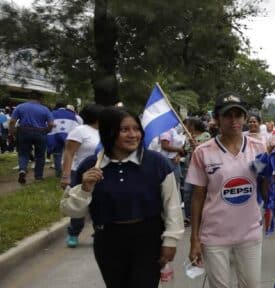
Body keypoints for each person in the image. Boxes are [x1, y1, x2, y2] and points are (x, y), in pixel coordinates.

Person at [60, 107, 184, 287]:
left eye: (136, 129)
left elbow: (171, 204)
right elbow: (72, 211)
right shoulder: (91, 166)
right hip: (107, 240)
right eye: (124, 129)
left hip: (148, 239)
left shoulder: (156, 163)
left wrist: (171, 240)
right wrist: (85, 189)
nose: (133, 135)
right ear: (109, 132)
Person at [187, 93, 267, 288]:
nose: (233, 120)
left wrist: (274, 170)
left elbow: (265, 187)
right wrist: (194, 239)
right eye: (227, 115)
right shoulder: (203, 152)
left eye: (238, 115)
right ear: (217, 119)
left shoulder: (258, 148)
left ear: (245, 118)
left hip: (249, 233)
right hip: (214, 235)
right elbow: (197, 198)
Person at [60, 104, 104, 248]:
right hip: (79, 173)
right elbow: (69, 153)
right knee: (80, 203)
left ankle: (99, 232)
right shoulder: (80, 131)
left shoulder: (103, 132)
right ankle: (73, 233)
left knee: (98, 204)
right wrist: (66, 176)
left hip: (98, 173)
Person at [9, 91, 54, 184]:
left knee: (23, 153)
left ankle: (22, 170)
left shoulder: (20, 106)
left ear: (29, 97)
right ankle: (38, 177)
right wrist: (47, 130)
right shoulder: (45, 109)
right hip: (40, 132)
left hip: (24, 131)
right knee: (40, 155)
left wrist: (12, 131)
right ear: (40, 98)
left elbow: (12, 121)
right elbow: (51, 124)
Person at [181, 118, 211, 224]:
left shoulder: (206, 135)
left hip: (202, 167)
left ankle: (202, 214)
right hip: (189, 166)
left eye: (189, 124)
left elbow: (205, 149)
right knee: (187, 191)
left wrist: (195, 145)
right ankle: (189, 217)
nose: (187, 126)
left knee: (201, 192)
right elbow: (186, 150)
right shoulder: (188, 136)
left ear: (194, 125)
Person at [48, 102, 81, 177]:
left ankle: (58, 173)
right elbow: (76, 126)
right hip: (69, 137)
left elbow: (49, 124)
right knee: (69, 153)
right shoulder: (72, 115)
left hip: (56, 136)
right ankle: (68, 171)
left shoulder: (52, 114)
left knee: (57, 154)